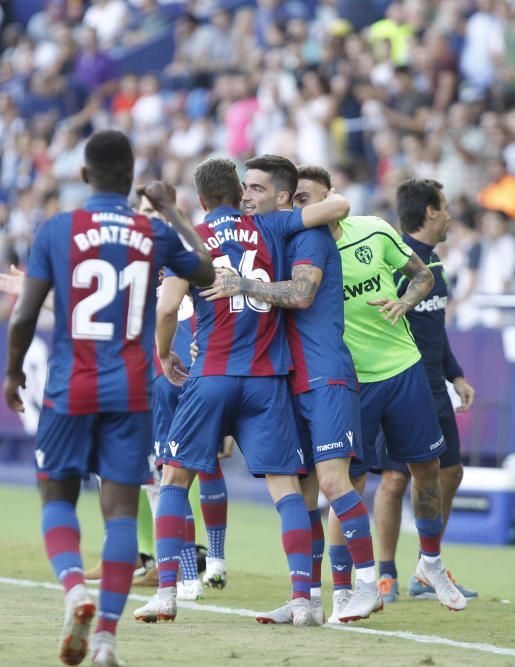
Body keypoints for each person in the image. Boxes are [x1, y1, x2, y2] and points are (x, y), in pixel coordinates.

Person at [3, 130, 214, 666]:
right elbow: (209, 272)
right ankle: (106, 642)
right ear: (131, 174)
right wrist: (174, 214)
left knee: (57, 499)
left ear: (82, 175)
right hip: (130, 389)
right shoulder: (151, 232)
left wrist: (11, 374)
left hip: (69, 385)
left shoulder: (57, 228)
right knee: (120, 512)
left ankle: (75, 590)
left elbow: (26, 314)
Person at [133, 156, 350, 627]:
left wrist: (164, 352)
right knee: (288, 492)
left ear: (200, 199)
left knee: (174, 480)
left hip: (210, 375)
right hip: (267, 381)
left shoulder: (191, 239)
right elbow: (334, 209)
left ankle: (168, 592)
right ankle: (301, 600)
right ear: (238, 192)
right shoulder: (270, 225)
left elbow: (168, 307)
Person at [0, 184, 233, 597]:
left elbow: (195, 300)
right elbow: (95, 312)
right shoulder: (140, 256)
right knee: (146, 474)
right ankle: (152, 558)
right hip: (154, 374)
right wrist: (38, 293)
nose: (146, 217)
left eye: (151, 211)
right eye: (141, 210)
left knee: (168, 474)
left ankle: (183, 565)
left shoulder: (172, 251)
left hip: (179, 371)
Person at [200, 155, 380, 625]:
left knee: (334, 482)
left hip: (324, 375)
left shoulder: (308, 235)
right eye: (245, 188)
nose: (246, 197)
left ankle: (367, 584)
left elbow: (300, 295)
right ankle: (307, 600)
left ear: (282, 197)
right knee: (300, 499)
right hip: (287, 381)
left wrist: (239, 284)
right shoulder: (269, 238)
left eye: (256, 189)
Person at [292, 166, 467, 613]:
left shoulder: (373, 230)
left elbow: (421, 276)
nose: (304, 206)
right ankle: (345, 590)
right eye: (296, 200)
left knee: (427, 470)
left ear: (331, 195)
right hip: (349, 383)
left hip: (404, 369)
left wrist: (404, 301)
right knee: (346, 484)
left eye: (310, 196)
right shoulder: (296, 249)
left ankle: (430, 563)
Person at [368, 178, 479, 603]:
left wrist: (457, 376)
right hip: (403, 385)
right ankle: (385, 574)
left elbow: (436, 329)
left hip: (436, 385)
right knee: (395, 479)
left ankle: (425, 568)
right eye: (445, 207)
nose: (450, 214)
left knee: (450, 473)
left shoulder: (433, 264)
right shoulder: (395, 263)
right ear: (430, 212)